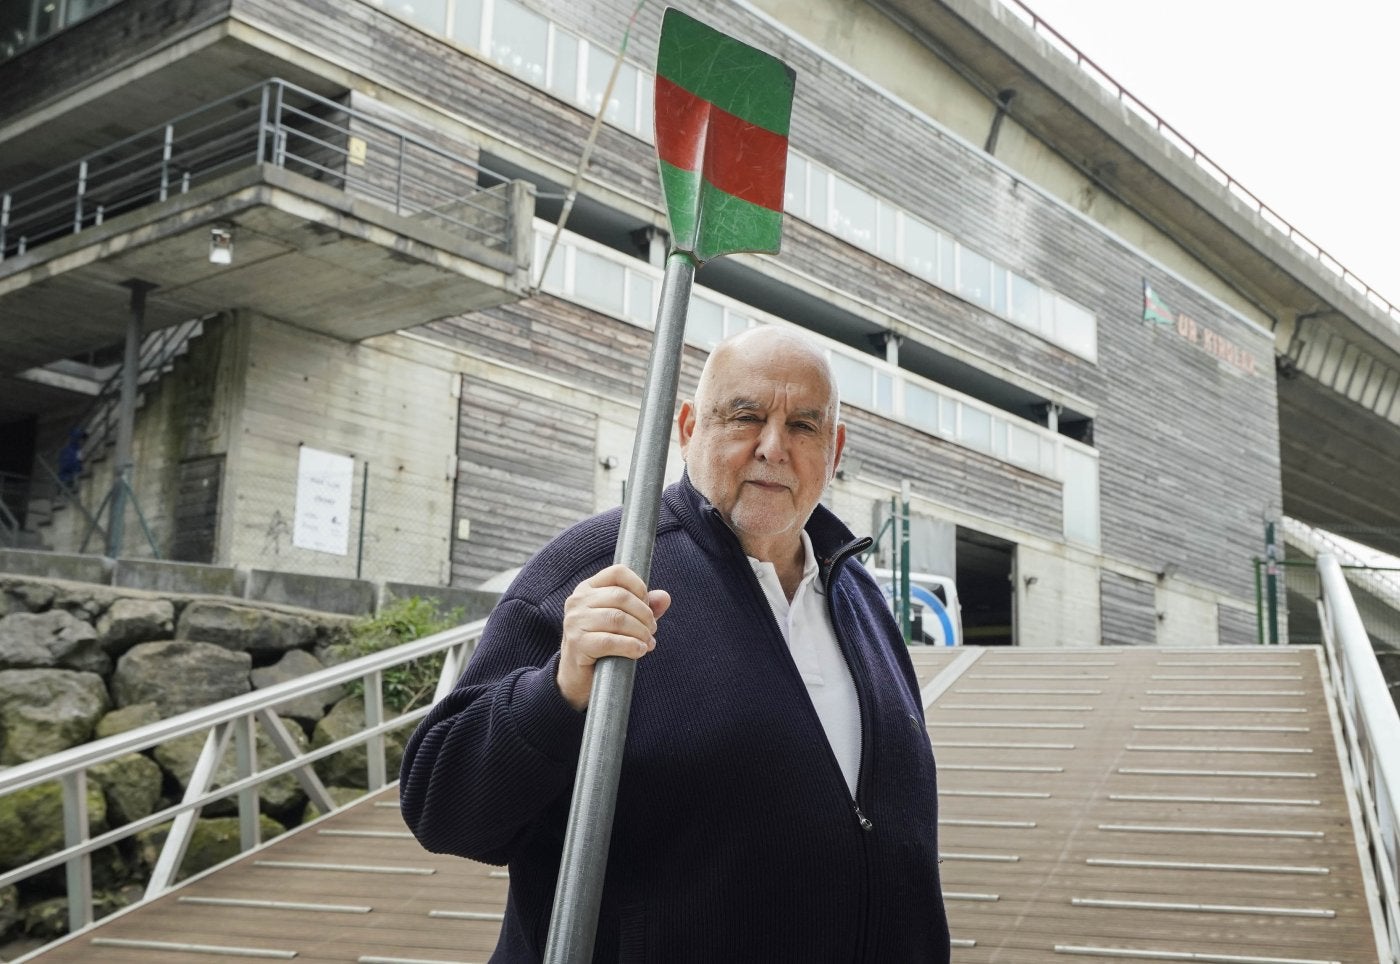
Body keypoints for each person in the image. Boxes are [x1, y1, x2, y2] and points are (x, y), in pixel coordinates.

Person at [399, 326, 949, 962]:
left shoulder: (858, 594)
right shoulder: (601, 564)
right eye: (745, 416)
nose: (773, 447)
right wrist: (557, 691)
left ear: (835, 448)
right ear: (688, 427)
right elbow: (443, 807)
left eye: (804, 426)